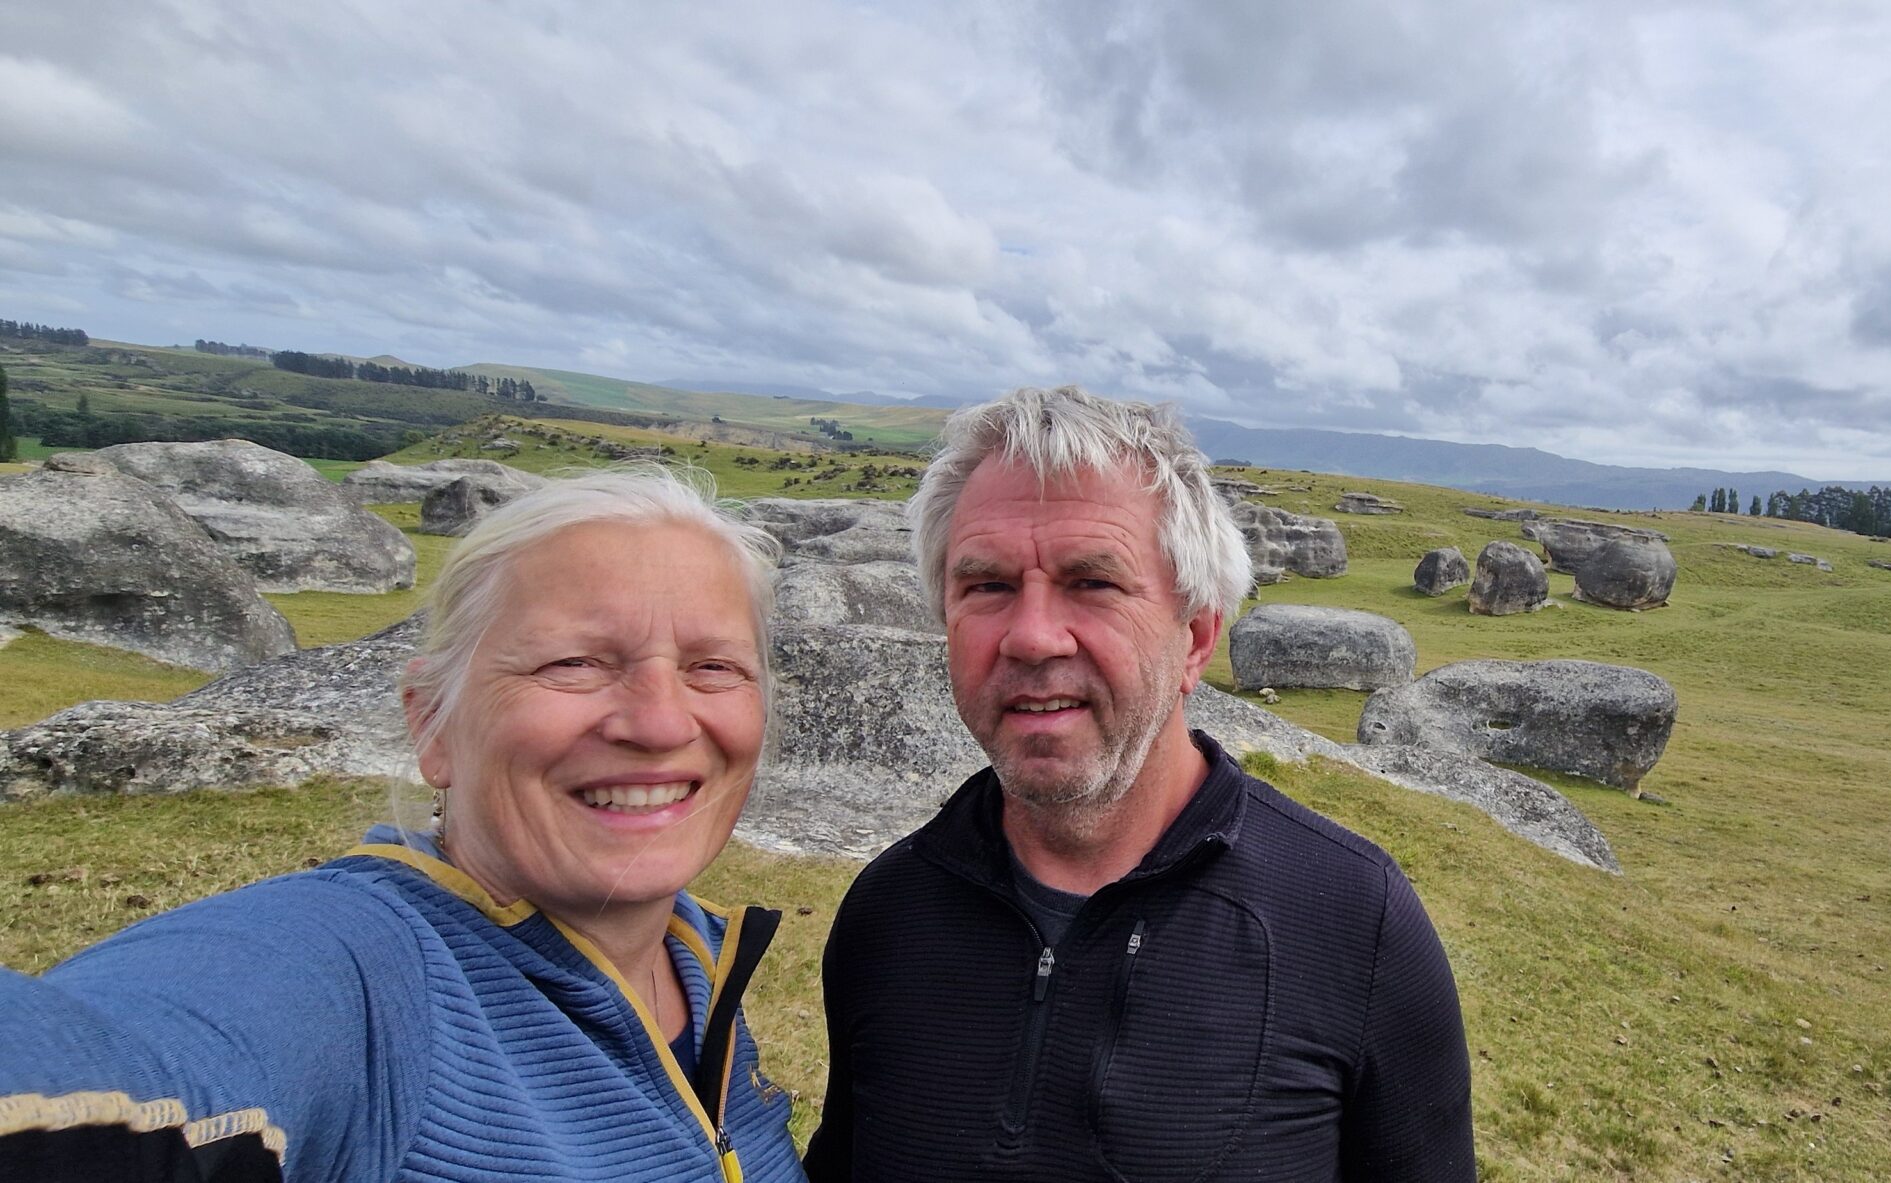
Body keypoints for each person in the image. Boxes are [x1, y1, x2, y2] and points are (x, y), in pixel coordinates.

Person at [0, 466, 805, 1183]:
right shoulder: (354, 972)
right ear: (432, 725)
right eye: (574, 662)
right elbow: (124, 1052)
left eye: (713, 666)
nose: (661, 723)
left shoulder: (699, 961)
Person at [802, 386, 1475, 1181]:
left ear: (1197, 636)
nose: (1032, 637)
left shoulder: (1356, 926)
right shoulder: (886, 915)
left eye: (1093, 581)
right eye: (987, 585)